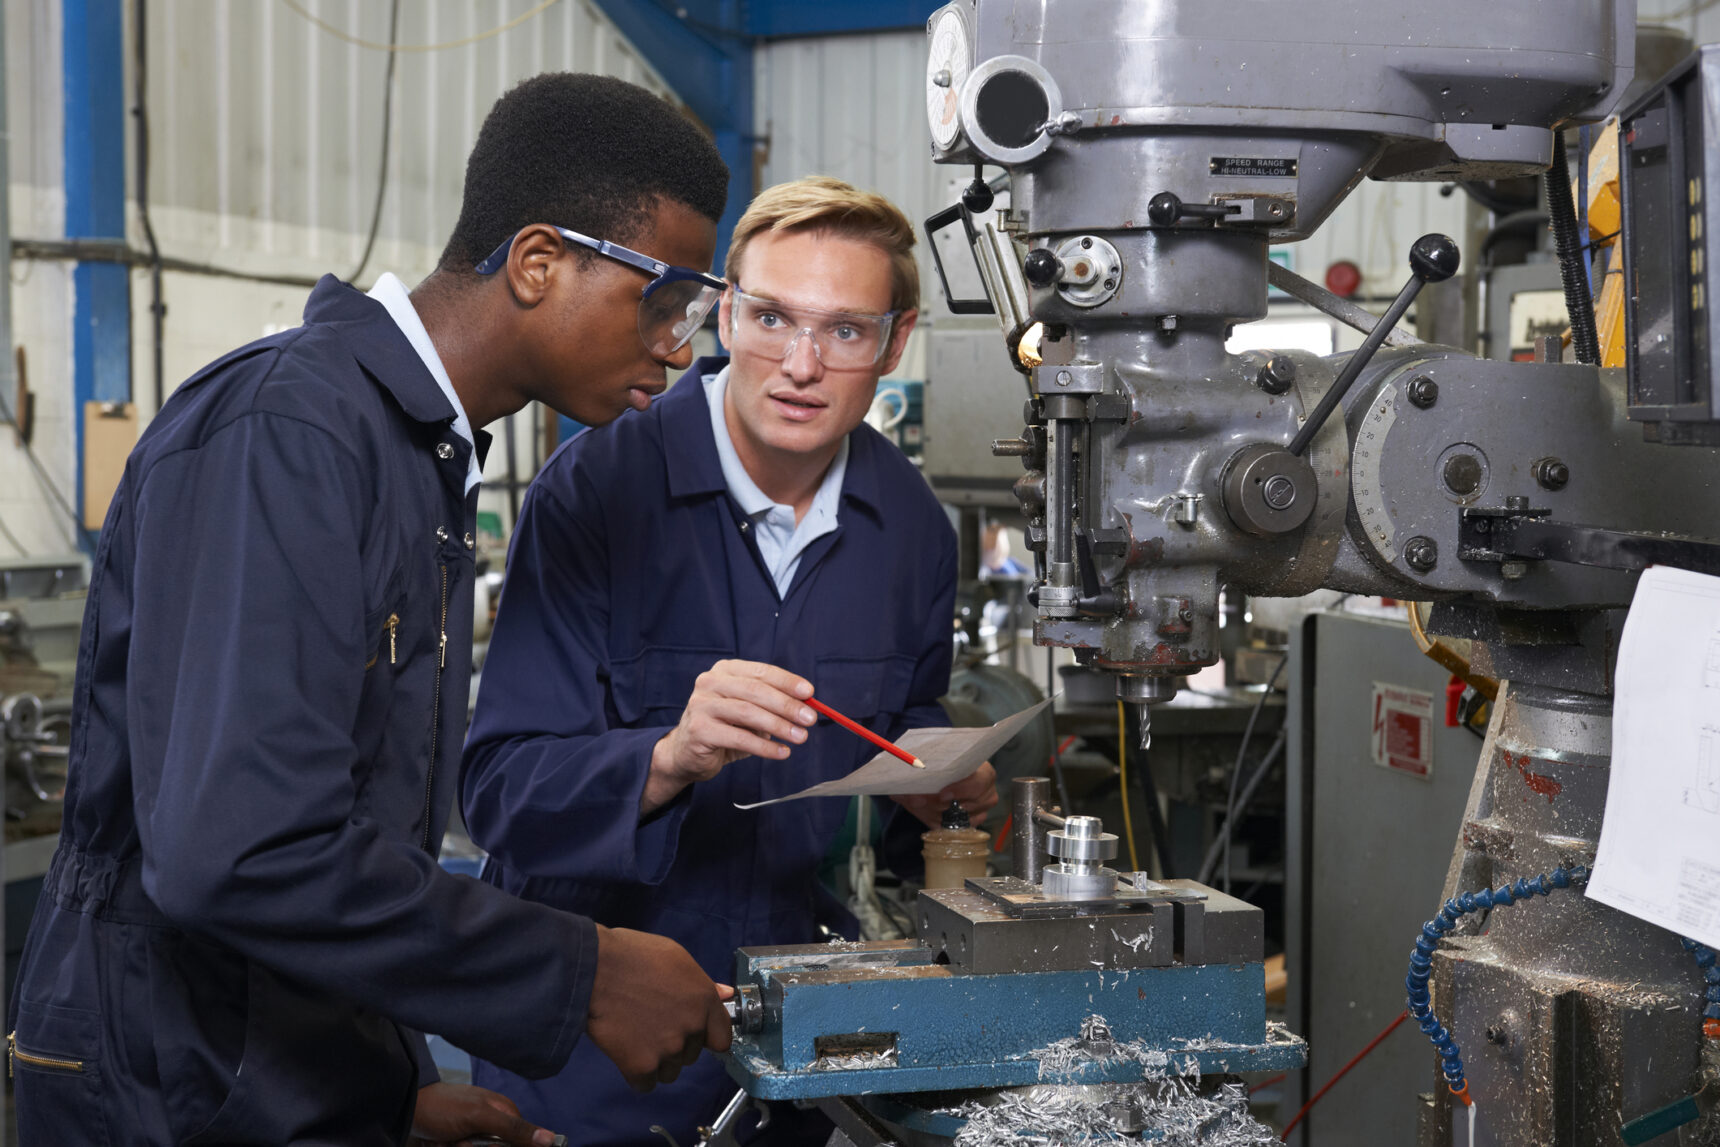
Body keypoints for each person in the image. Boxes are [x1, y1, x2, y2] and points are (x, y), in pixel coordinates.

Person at [6, 74, 740, 1147]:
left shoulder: (417, 455)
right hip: (169, 1095)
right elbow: (242, 852)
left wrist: (382, 1090)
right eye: (663, 303)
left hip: (269, 1077)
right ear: (539, 262)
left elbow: (351, 839)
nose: (678, 349)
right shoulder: (289, 432)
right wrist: (583, 971)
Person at [461, 176, 1000, 1145]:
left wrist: (936, 782)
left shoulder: (912, 529)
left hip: (799, 1040)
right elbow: (501, 793)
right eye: (771, 318)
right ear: (724, 313)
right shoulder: (596, 491)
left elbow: (902, 722)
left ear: (895, 343)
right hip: (595, 1050)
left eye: (844, 331)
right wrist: (668, 756)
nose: (800, 365)